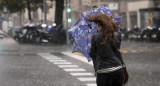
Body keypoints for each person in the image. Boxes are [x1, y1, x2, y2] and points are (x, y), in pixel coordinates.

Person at [87, 14, 127, 86]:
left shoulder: (95, 36)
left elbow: (93, 54)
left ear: (98, 24)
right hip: (117, 69)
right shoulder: (117, 35)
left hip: (103, 71)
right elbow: (116, 51)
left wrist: (96, 69)